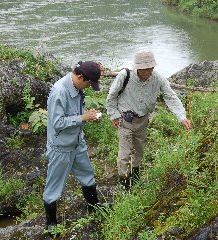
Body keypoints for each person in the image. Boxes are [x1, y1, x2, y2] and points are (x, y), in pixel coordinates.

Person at [106, 49, 191, 190]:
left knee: (139, 151)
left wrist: (182, 117)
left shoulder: (158, 79)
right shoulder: (125, 75)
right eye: (144, 70)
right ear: (137, 68)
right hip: (125, 121)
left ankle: (136, 180)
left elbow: (170, 97)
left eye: (150, 69)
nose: (147, 73)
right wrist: (113, 114)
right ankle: (124, 185)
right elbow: (112, 95)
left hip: (143, 120)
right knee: (125, 154)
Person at [43, 61, 102, 236]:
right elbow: (57, 123)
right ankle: (51, 223)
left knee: (87, 174)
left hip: (77, 143)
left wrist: (85, 116)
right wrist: (82, 117)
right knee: (54, 186)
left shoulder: (77, 87)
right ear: (79, 76)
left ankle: (94, 207)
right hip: (61, 147)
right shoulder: (59, 91)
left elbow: (74, 114)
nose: (89, 87)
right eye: (88, 83)